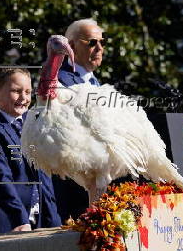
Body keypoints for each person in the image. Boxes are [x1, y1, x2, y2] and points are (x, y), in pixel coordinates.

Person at [0, 68, 61, 236]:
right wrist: (19, 219)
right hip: (9, 223)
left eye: (28, 92)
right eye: (16, 91)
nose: (24, 98)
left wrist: (53, 220)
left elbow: (44, 176)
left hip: (40, 219)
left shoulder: (34, 122)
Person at [53, 18, 104, 222]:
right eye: (92, 42)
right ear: (71, 45)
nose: (99, 48)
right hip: (73, 183)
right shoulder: (59, 80)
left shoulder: (95, 82)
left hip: (97, 178)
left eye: (102, 42)